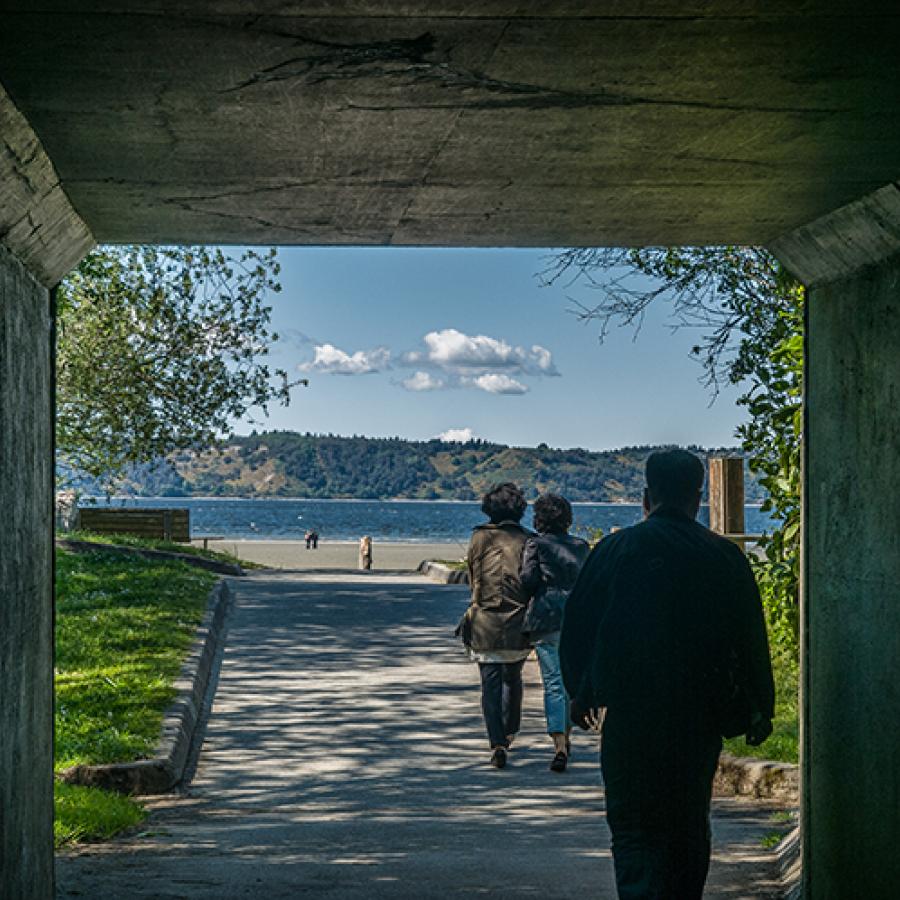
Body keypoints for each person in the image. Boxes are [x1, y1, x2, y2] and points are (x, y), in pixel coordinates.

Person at [559, 449, 775, 899]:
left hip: (630, 715)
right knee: (687, 822)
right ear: (697, 497)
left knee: (633, 825)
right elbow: (750, 636)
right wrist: (760, 706)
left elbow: (580, 624)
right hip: (697, 718)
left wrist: (579, 692)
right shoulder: (722, 557)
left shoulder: (617, 550)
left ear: (646, 496)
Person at [457, 482, 531, 769]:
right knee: (513, 679)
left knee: (489, 684)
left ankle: (497, 741)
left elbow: (473, 575)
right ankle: (510, 730)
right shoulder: (527, 539)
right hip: (517, 620)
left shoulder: (478, 537)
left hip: (484, 619)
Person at [520, 493, 589, 772]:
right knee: (571, 681)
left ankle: (559, 744)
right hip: (576, 620)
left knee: (552, 682)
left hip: (546, 618)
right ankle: (568, 735)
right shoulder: (581, 546)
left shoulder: (535, 544)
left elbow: (527, 580)